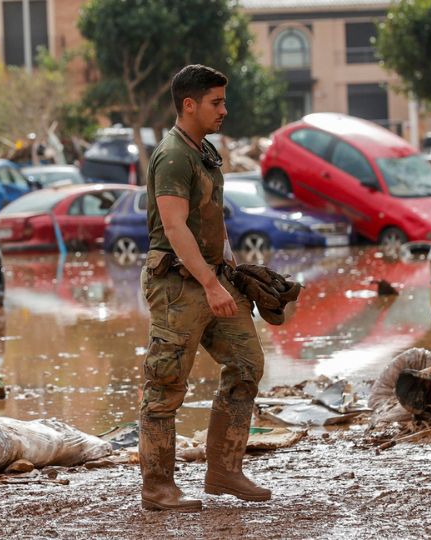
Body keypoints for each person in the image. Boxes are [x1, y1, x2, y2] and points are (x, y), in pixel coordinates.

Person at [138, 64, 270, 512]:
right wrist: (212, 284)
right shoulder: (173, 154)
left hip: (212, 277)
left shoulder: (205, 151)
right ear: (189, 104)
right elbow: (175, 227)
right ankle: (158, 488)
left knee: (247, 363)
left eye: (224, 101)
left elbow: (211, 218)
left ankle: (224, 470)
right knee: (165, 383)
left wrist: (232, 268)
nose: (224, 110)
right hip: (178, 284)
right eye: (216, 102)